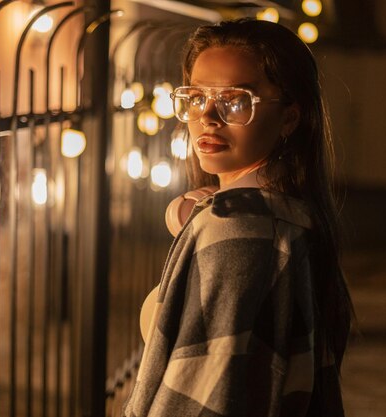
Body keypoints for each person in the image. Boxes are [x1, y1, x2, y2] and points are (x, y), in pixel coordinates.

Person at [123, 18, 354, 417]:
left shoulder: (240, 229)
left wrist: (210, 223)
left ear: (289, 117)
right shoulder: (288, 216)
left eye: (236, 100)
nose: (207, 117)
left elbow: (205, 401)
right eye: (196, 97)